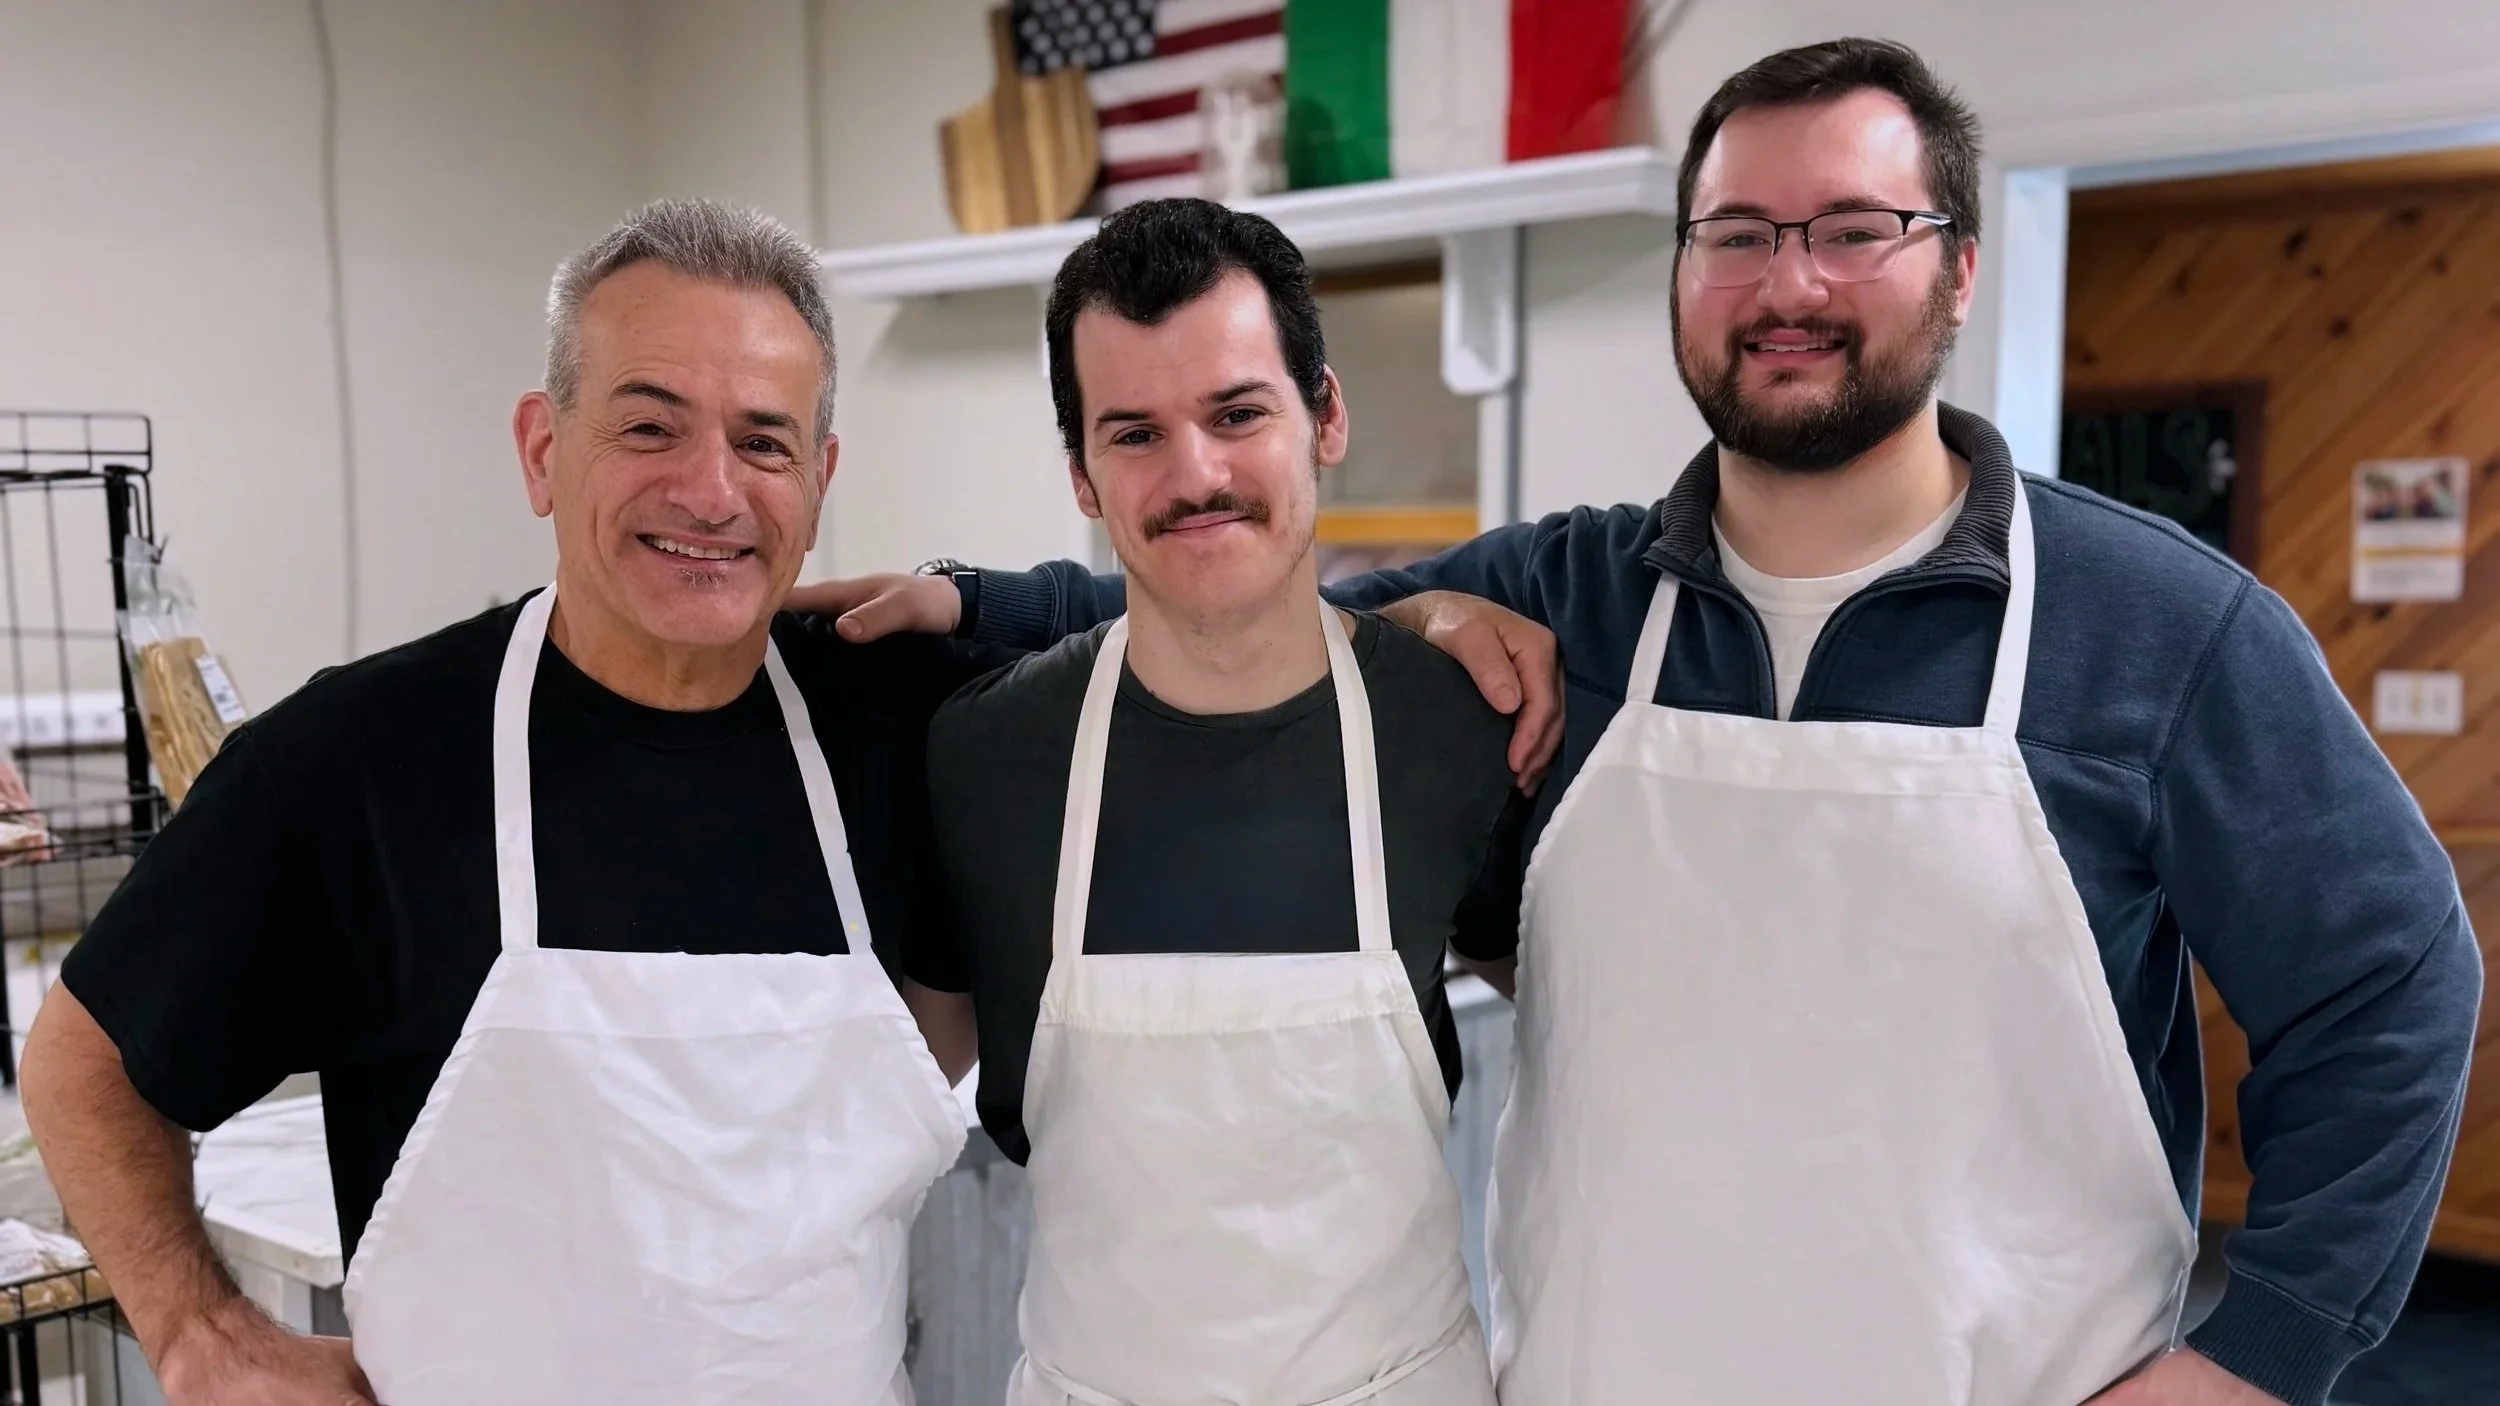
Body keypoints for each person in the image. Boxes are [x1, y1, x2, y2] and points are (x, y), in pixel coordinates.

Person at [794, 39, 2482, 1406]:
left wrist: (2255, 1357)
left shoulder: (2161, 628)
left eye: (1853, 229)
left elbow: (2396, 980)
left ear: (1957, 266)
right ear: (1685, 267)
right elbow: (1227, 605)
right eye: (1737, 232)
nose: (1788, 281)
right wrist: (966, 597)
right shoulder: (1584, 599)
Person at [21, 201, 988, 1406]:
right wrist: (202, 1330)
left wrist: (991, 596)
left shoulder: (903, 735)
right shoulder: (357, 760)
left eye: (765, 441)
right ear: (542, 449)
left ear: (820, 477)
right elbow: (83, 1057)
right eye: (650, 425)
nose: (711, 490)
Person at [910, 199, 1522, 1405]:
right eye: (1134, 432)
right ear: (1082, 475)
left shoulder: (1456, 725)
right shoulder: (985, 753)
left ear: (1324, 416)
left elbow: (1586, 1042)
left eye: (1238, 413)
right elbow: (876, 1101)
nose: (1196, 474)